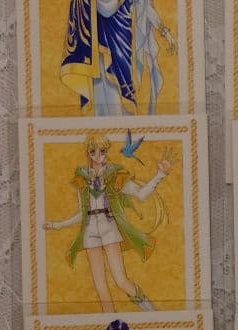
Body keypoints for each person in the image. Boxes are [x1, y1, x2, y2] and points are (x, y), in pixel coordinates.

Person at [44, 132, 172, 311]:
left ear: (107, 151)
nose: (98, 156)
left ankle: (151, 312)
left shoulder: (115, 175)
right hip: (90, 232)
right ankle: (110, 320)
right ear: (88, 153)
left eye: (102, 151)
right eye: (93, 151)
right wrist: (58, 225)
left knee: (121, 280)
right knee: (100, 287)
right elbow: (82, 214)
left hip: (109, 228)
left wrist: (160, 175)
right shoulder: (81, 178)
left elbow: (140, 194)